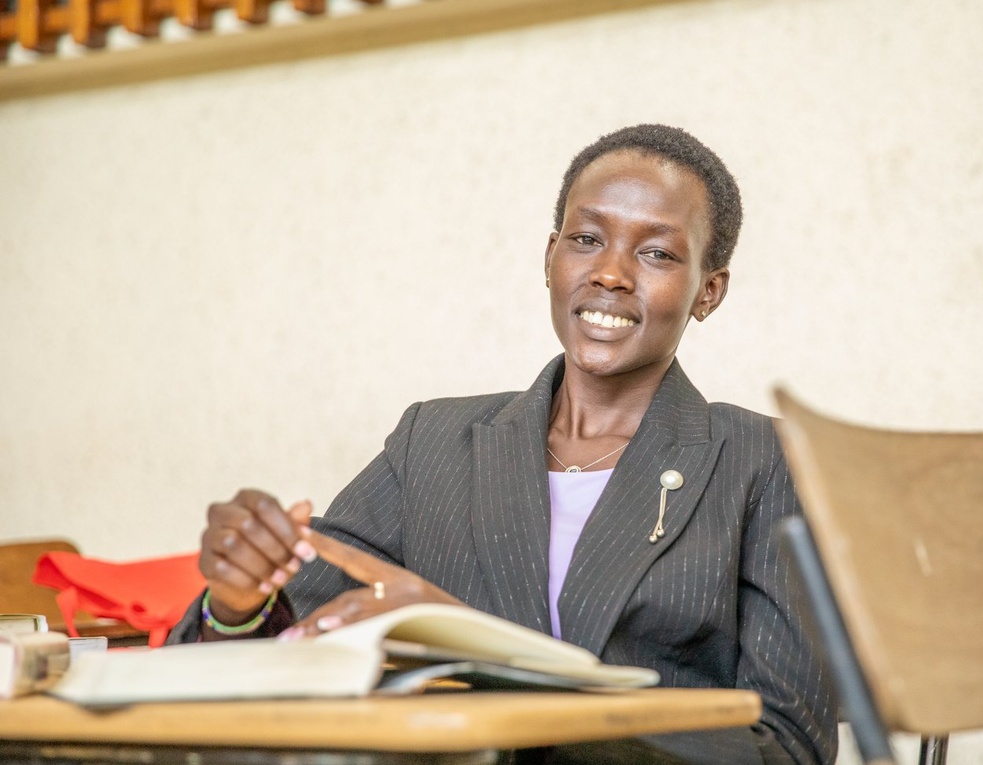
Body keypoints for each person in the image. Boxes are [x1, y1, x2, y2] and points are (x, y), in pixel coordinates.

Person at [168, 124, 838, 765]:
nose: (610, 272)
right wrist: (237, 602)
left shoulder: (762, 460)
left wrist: (497, 661)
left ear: (708, 292)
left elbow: (784, 744)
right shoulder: (432, 442)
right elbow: (285, 648)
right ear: (550, 257)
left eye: (656, 252)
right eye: (586, 238)